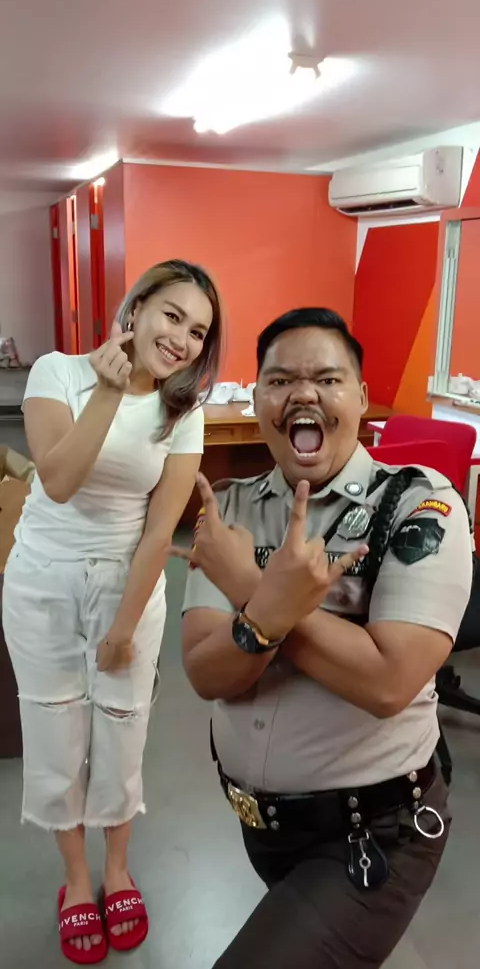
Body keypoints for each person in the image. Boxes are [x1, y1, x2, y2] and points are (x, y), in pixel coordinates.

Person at [178, 307, 473, 969]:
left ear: (362, 398)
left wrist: (251, 590)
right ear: (256, 399)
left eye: (327, 379)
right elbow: (206, 672)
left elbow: (387, 681)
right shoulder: (229, 507)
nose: (303, 394)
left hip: (378, 832)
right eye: (280, 380)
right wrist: (272, 613)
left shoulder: (419, 505)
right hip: (263, 828)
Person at [2, 259, 222, 965]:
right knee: (55, 731)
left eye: (198, 331)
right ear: (137, 309)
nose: (182, 339)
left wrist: (125, 628)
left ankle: (117, 870)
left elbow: (160, 532)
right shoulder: (58, 373)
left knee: (124, 733)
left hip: (131, 587)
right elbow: (59, 480)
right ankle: (76, 880)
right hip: (42, 582)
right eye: (172, 316)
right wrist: (108, 390)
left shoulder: (184, 412)